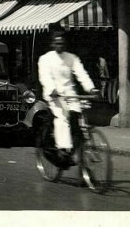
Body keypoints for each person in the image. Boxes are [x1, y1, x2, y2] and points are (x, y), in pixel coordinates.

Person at [38, 31, 98, 166]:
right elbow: (45, 77)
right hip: (55, 96)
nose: (60, 46)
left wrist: (91, 88)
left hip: (70, 94)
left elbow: (82, 74)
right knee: (62, 118)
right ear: (53, 44)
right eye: (57, 43)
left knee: (77, 119)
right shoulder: (45, 59)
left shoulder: (72, 58)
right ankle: (63, 149)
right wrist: (51, 89)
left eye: (62, 43)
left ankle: (78, 157)